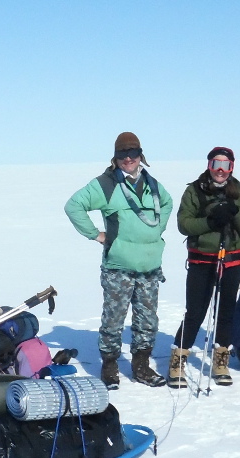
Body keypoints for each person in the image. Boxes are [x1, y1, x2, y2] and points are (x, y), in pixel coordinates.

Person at [64, 132, 173, 390]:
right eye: (123, 154)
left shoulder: (152, 184)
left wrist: (156, 231)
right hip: (118, 267)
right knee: (114, 319)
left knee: (147, 321)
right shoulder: (106, 184)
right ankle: (110, 367)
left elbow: (167, 204)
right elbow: (73, 205)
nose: (128, 159)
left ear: (141, 156)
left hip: (149, 266)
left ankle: (141, 367)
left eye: (133, 153)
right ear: (116, 157)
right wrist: (96, 235)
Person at [168, 147, 240, 388]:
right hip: (202, 259)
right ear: (209, 165)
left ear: (232, 168)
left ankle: (220, 360)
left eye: (226, 165)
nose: (220, 170)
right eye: (216, 163)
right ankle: (178, 361)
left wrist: (233, 211)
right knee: (195, 311)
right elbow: (184, 224)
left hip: (232, 259)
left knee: (226, 311)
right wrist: (210, 220)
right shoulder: (194, 191)